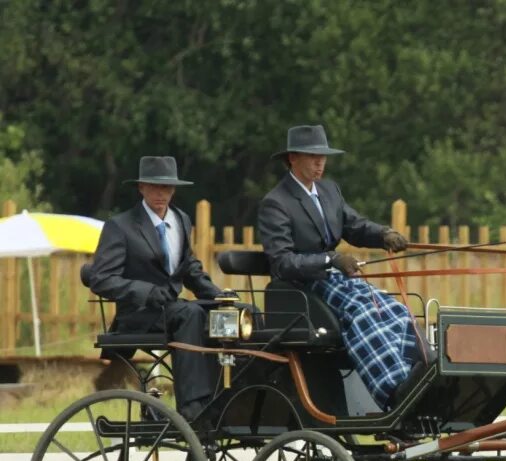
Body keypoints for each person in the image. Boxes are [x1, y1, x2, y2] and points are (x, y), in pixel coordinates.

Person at [257, 124, 420, 408]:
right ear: (292, 158)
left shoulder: (329, 191)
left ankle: (415, 378)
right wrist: (330, 259)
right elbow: (282, 262)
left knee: (392, 309)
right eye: (312, 156)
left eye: (323, 156)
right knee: (362, 311)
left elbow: (354, 226)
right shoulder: (276, 203)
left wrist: (383, 235)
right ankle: (392, 390)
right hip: (303, 286)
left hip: (334, 281)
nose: (320, 163)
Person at [89, 156, 224, 421]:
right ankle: (193, 407)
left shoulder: (181, 220)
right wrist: (146, 291)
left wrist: (219, 296)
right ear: (141, 187)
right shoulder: (121, 226)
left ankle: (222, 399)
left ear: (174, 189)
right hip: (138, 314)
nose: (161, 193)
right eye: (154, 187)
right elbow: (101, 279)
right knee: (191, 315)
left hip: (173, 312)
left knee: (226, 316)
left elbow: (189, 269)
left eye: (167, 188)